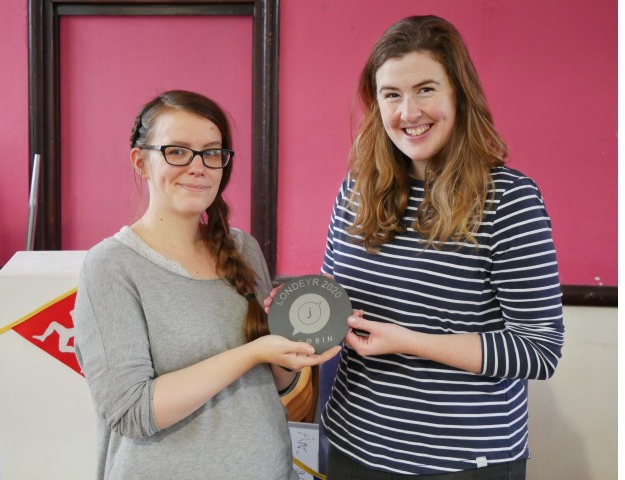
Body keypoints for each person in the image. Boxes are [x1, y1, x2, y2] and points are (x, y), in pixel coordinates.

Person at [318, 15, 564, 479]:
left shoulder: (509, 200)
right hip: (354, 446)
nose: (408, 112)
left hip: (462, 462)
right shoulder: (356, 188)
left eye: (426, 89)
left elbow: (540, 351)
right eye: (392, 94)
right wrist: (301, 314)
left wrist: (409, 342)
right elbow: (336, 302)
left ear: (459, 95)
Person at [73, 90, 341, 480]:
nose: (198, 167)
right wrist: (252, 352)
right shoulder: (110, 266)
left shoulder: (243, 248)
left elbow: (274, 382)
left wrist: (293, 344)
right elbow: (132, 412)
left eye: (211, 153)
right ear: (140, 161)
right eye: (177, 151)